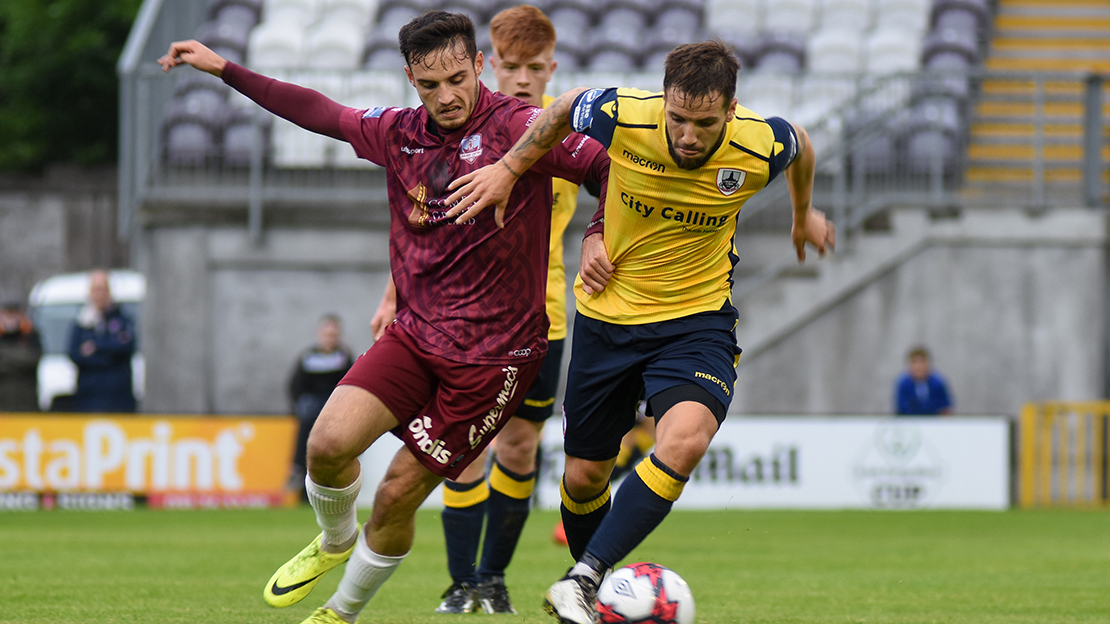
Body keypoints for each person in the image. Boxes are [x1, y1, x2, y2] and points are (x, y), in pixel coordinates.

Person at [158, 11, 608, 624]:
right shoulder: (398, 133)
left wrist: (598, 233)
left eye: (457, 79)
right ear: (409, 80)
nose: (446, 96)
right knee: (325, 446)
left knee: (396, 495)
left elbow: (607, 166)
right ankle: (336, 539)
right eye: (429, 85)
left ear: (479, 66)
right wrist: (224, 68)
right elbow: (318, 111)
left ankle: (341, 613)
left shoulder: (522, 127)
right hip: (416, 335)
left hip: (494, 358)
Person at [445, 39, 834, 624]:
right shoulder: (622, 113)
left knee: (684, 439)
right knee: (582, 479)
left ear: (731, 111)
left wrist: (803, 212)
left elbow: (800, 144)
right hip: (607, 320)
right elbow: (558, 111)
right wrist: (507, 169)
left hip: (696, 322)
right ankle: (598, 596)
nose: (687, 135)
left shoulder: (760, 141)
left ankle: (582, 578)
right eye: (677, 118)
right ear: (664, 103)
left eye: (704, 123)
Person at [288, 315, 356, 500]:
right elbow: (296, 386)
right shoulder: (308, 358)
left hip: (334, 408)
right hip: (312, 409)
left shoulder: (343, 358)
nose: (329, 338)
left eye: (333, 334)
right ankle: (298, 469)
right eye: (327, 334)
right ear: (320, 334)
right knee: (307, 423)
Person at [67, 270, 137, 413]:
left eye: (103, 289)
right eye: (96, 289)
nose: (100, 294)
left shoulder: (122, 320)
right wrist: (109, 356)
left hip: (118, 399)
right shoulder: (82, 323)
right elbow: (74, 354)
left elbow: (125, 348)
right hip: (88, 399)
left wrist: (96, 347)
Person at [0, 299, 43, 412]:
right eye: (8, 313)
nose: (11, 317)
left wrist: (4, 356)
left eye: (14, 313)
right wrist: (20, 360)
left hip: (26, 403)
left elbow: (33, 359)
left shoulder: (31, 335)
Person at [894, 346, 953, 415]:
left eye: (922, 361)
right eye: (914, 362)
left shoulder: (938, 383)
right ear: (909, 365)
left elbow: (945, 407)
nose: (918, 366)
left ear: (928, 363)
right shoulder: (903, 384)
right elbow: (902, 408)